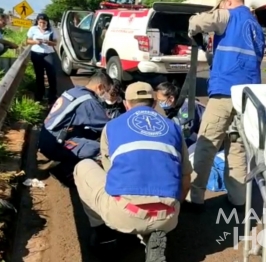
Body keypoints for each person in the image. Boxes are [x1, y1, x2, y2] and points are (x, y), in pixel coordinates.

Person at [73, 81, 192, 260]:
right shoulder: (173, 127)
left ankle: (105, 236)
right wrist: (176, 205)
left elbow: (111, 173)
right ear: (154, 103)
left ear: (126, 104)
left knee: (82, 167)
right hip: (168, 216)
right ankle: (152, 233)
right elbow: (186, 178)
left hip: (125, 212)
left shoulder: (112, 126)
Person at [186, 0, 265, 212]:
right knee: (237, 145)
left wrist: (195, 25)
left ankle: (195, 197)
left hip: (225, 93)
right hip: (248, 96)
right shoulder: (255, 25)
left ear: (228, 2)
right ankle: (238, 198)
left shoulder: (227, 15)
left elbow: (197, 22)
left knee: (207, 142)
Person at [37, 71, 114, 171]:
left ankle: (63, 157)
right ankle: (68, 169)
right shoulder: (88, 101)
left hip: (47, 137)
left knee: (92, 132)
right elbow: (108, 126)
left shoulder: (74, 91)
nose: (106, 95)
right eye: (106, 91)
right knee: (101, 149)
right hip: (54, 143)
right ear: (100, 87)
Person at [154, 81, 205, 147]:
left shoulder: (186, 107)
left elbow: (186, 133)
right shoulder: (177, 103)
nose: (160, 103)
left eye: (161, 100)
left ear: (171, 98)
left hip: (206, 134)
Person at [26, 13, 58, 105]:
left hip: (49, 53)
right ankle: (39, 96)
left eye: (44, 22)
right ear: (37, 22)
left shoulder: (52, 30)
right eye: (40, 22)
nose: (42, 24)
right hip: (36, 53)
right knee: (39, 75)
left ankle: (52, 97)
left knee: (51, 74)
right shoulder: (33, 29)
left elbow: (55, 43)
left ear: (47, 22)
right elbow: (28, 41)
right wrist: (36, 42)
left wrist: (48, 42)